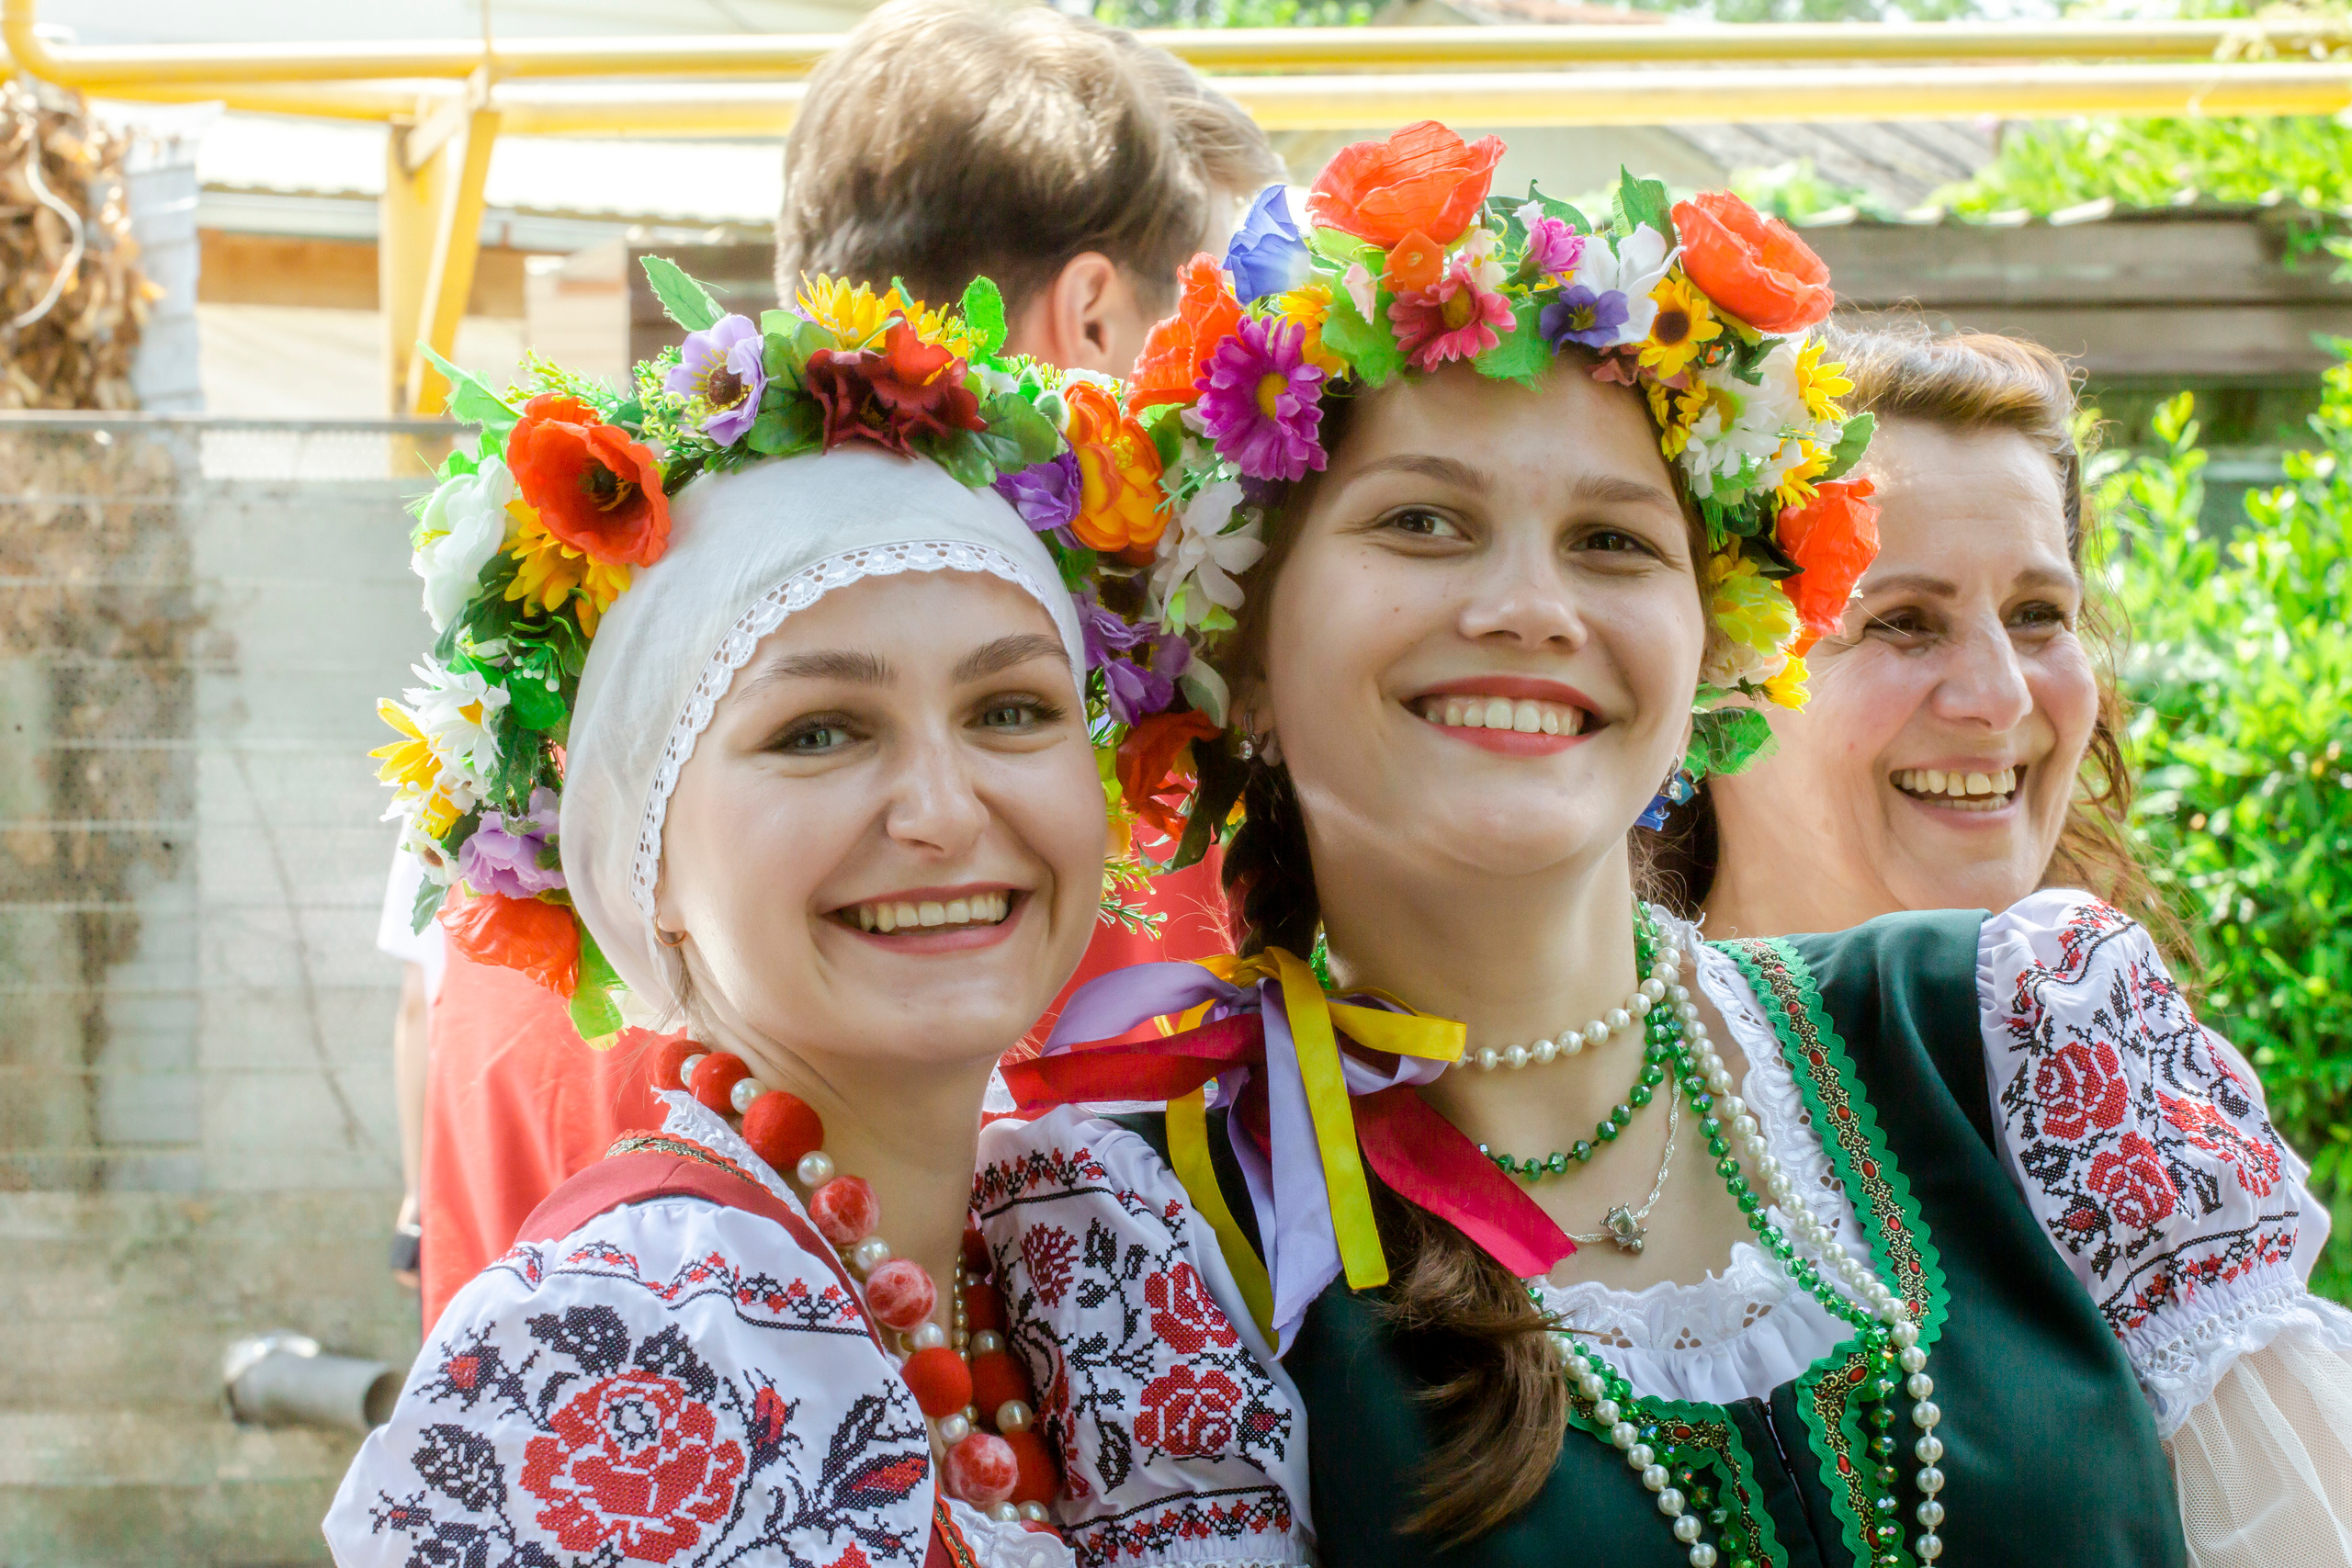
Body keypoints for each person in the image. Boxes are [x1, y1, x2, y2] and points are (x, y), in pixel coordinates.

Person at [973, 122, 2352, 1568]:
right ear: (1239, 651)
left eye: (1616, 542)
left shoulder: (2023, 1042)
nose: (1531, 607)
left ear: (1718, 648)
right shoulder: (1157, 1239)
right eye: (1425, 520)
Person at [377, 0, 1284, 1326]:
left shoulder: (551, 704)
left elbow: (446, 1079)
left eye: (1012, 708)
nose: (1247, 424)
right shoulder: (1134, 824)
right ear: (1094, 319)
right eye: (1223, 333)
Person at [332, 272, 1174, 1562]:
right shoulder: (622, 1348)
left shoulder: (1079, 1240)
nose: (943, 813)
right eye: (819, 731)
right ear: (643, 859)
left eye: (1011, 711)